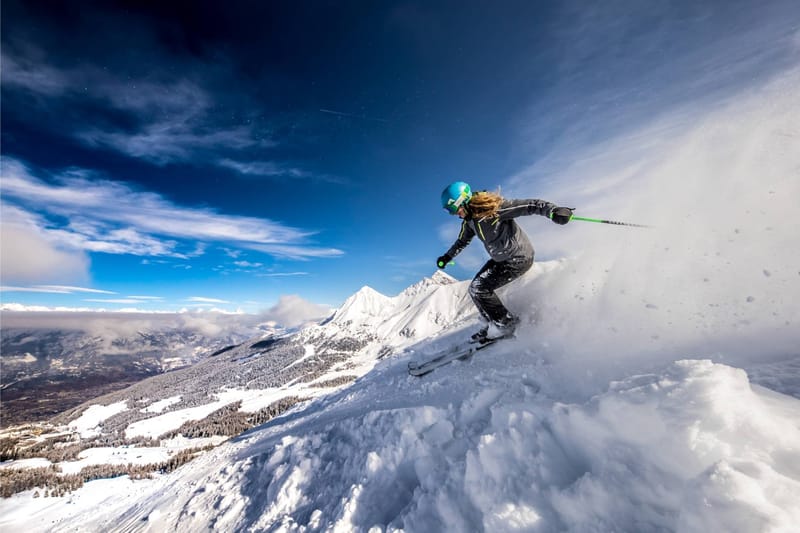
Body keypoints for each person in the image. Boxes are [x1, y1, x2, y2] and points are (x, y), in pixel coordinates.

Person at [437, 181, 573, 342]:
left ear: (463, 201)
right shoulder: (469, 221)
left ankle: (506, 324)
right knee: (475, 289)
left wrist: (553, 210)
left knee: (479, 288)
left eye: (454, 209)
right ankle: (494, 323)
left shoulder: (493, 209)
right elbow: (462, 241)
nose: (454, 214)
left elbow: (530, 205)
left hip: (518, 257)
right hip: (501, 259)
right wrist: (447, 257)